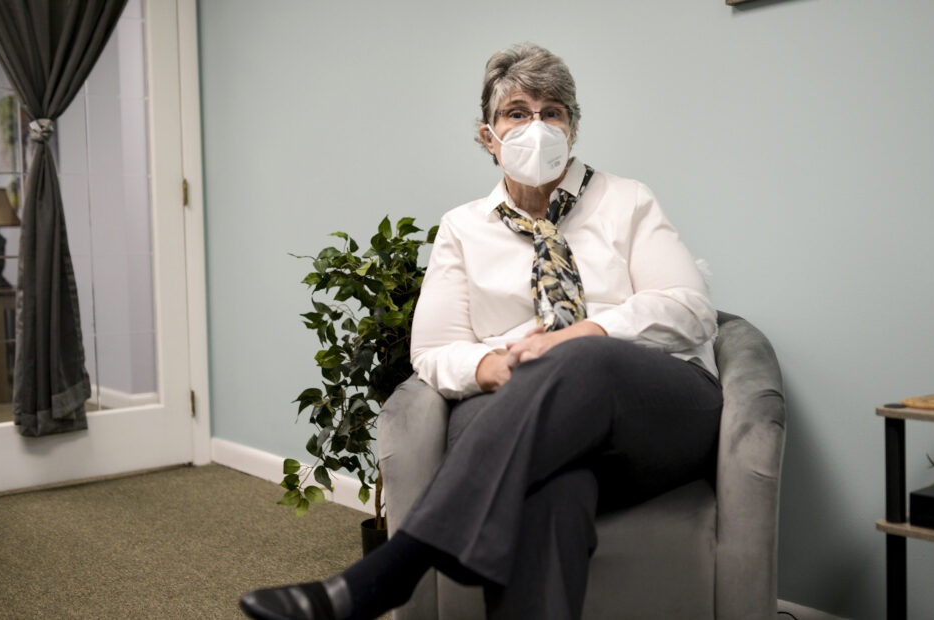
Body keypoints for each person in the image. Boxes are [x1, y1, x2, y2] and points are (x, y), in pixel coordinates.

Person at [240, 42, 722, 620]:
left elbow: (691, 309)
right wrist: (486, 367)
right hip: (520, 415)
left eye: (553, 112)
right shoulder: (462, 229)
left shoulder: (627, 200)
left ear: (573, 128)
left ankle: (389, 573)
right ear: (488, 136)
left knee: (581, 361)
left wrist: (582, 335)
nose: (537, 126)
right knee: (553, 491)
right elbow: (435, 351)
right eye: (518, 112)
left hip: (649, 414)